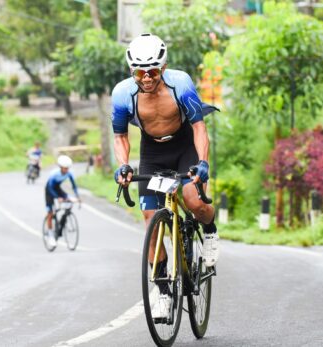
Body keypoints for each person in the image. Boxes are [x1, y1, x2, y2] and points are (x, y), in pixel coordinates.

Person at [111, 33, 219, 319]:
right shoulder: (123, 94)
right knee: (151, 222)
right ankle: (161, 290)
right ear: (131, 70)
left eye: (153, 71)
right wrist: (123, 165)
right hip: (153, 152)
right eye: (139, 72)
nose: (146, 78)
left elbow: (198, 127)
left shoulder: (180, 84)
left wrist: (203, 162)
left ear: (164, 67)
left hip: (184, 146)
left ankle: (209, 231)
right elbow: (120, 135)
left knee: (194, 201)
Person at [44, 155, 80, 247]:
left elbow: (74, 186)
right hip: (49, 190)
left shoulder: (69, 173)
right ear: (60, 167)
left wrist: (77, 196)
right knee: (50, 212)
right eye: (65, 168)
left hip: (57, 188)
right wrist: (58, 197)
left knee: (69, 200)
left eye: (68, 168)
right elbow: (50, 187)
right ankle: (50, 234)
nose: (66, 170)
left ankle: (61, 225)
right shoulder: (54, 174)